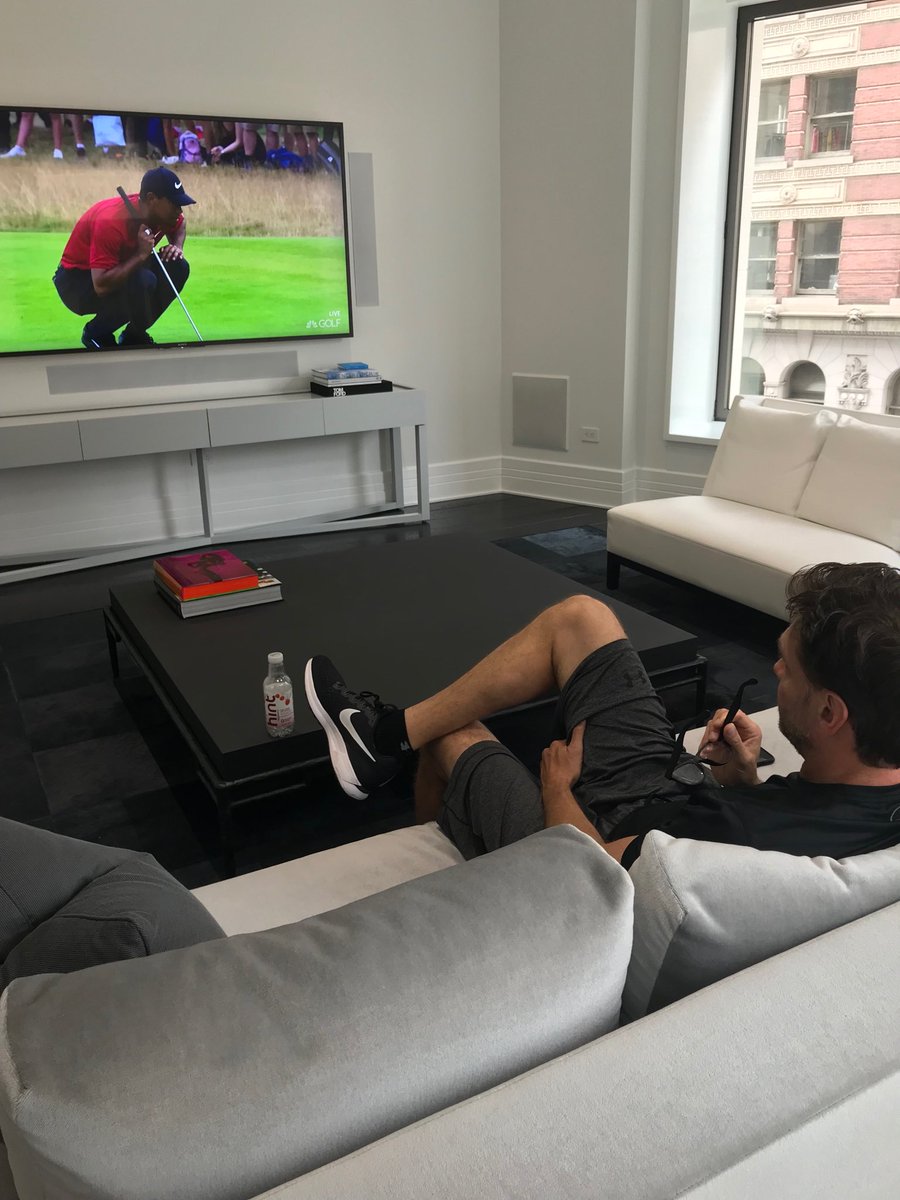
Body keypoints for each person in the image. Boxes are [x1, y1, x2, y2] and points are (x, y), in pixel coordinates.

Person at [305, 562, 900, 869]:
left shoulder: (741, 842)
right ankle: (380, 741)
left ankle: (458, 870)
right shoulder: (875, 796)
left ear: (830, 710)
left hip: (594, 835)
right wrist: (744, 781)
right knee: (581, 619)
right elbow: (774, 823)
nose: (775, 670)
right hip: (673, 808)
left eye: (789, 668)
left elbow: (592, 878)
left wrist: (557, 788)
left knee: (453, 734)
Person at [52, 166, 195, 350]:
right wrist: (140, 255)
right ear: (152, 199)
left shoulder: (167, 216)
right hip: (77, 283)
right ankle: (96, 333)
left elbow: (181, 224)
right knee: (144, 280)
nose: (179, 210)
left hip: (118, 269)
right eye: (175, 204)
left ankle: (134, 335)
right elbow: (101, 285)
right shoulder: (111, 221)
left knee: (178, 267)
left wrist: (176, 246)